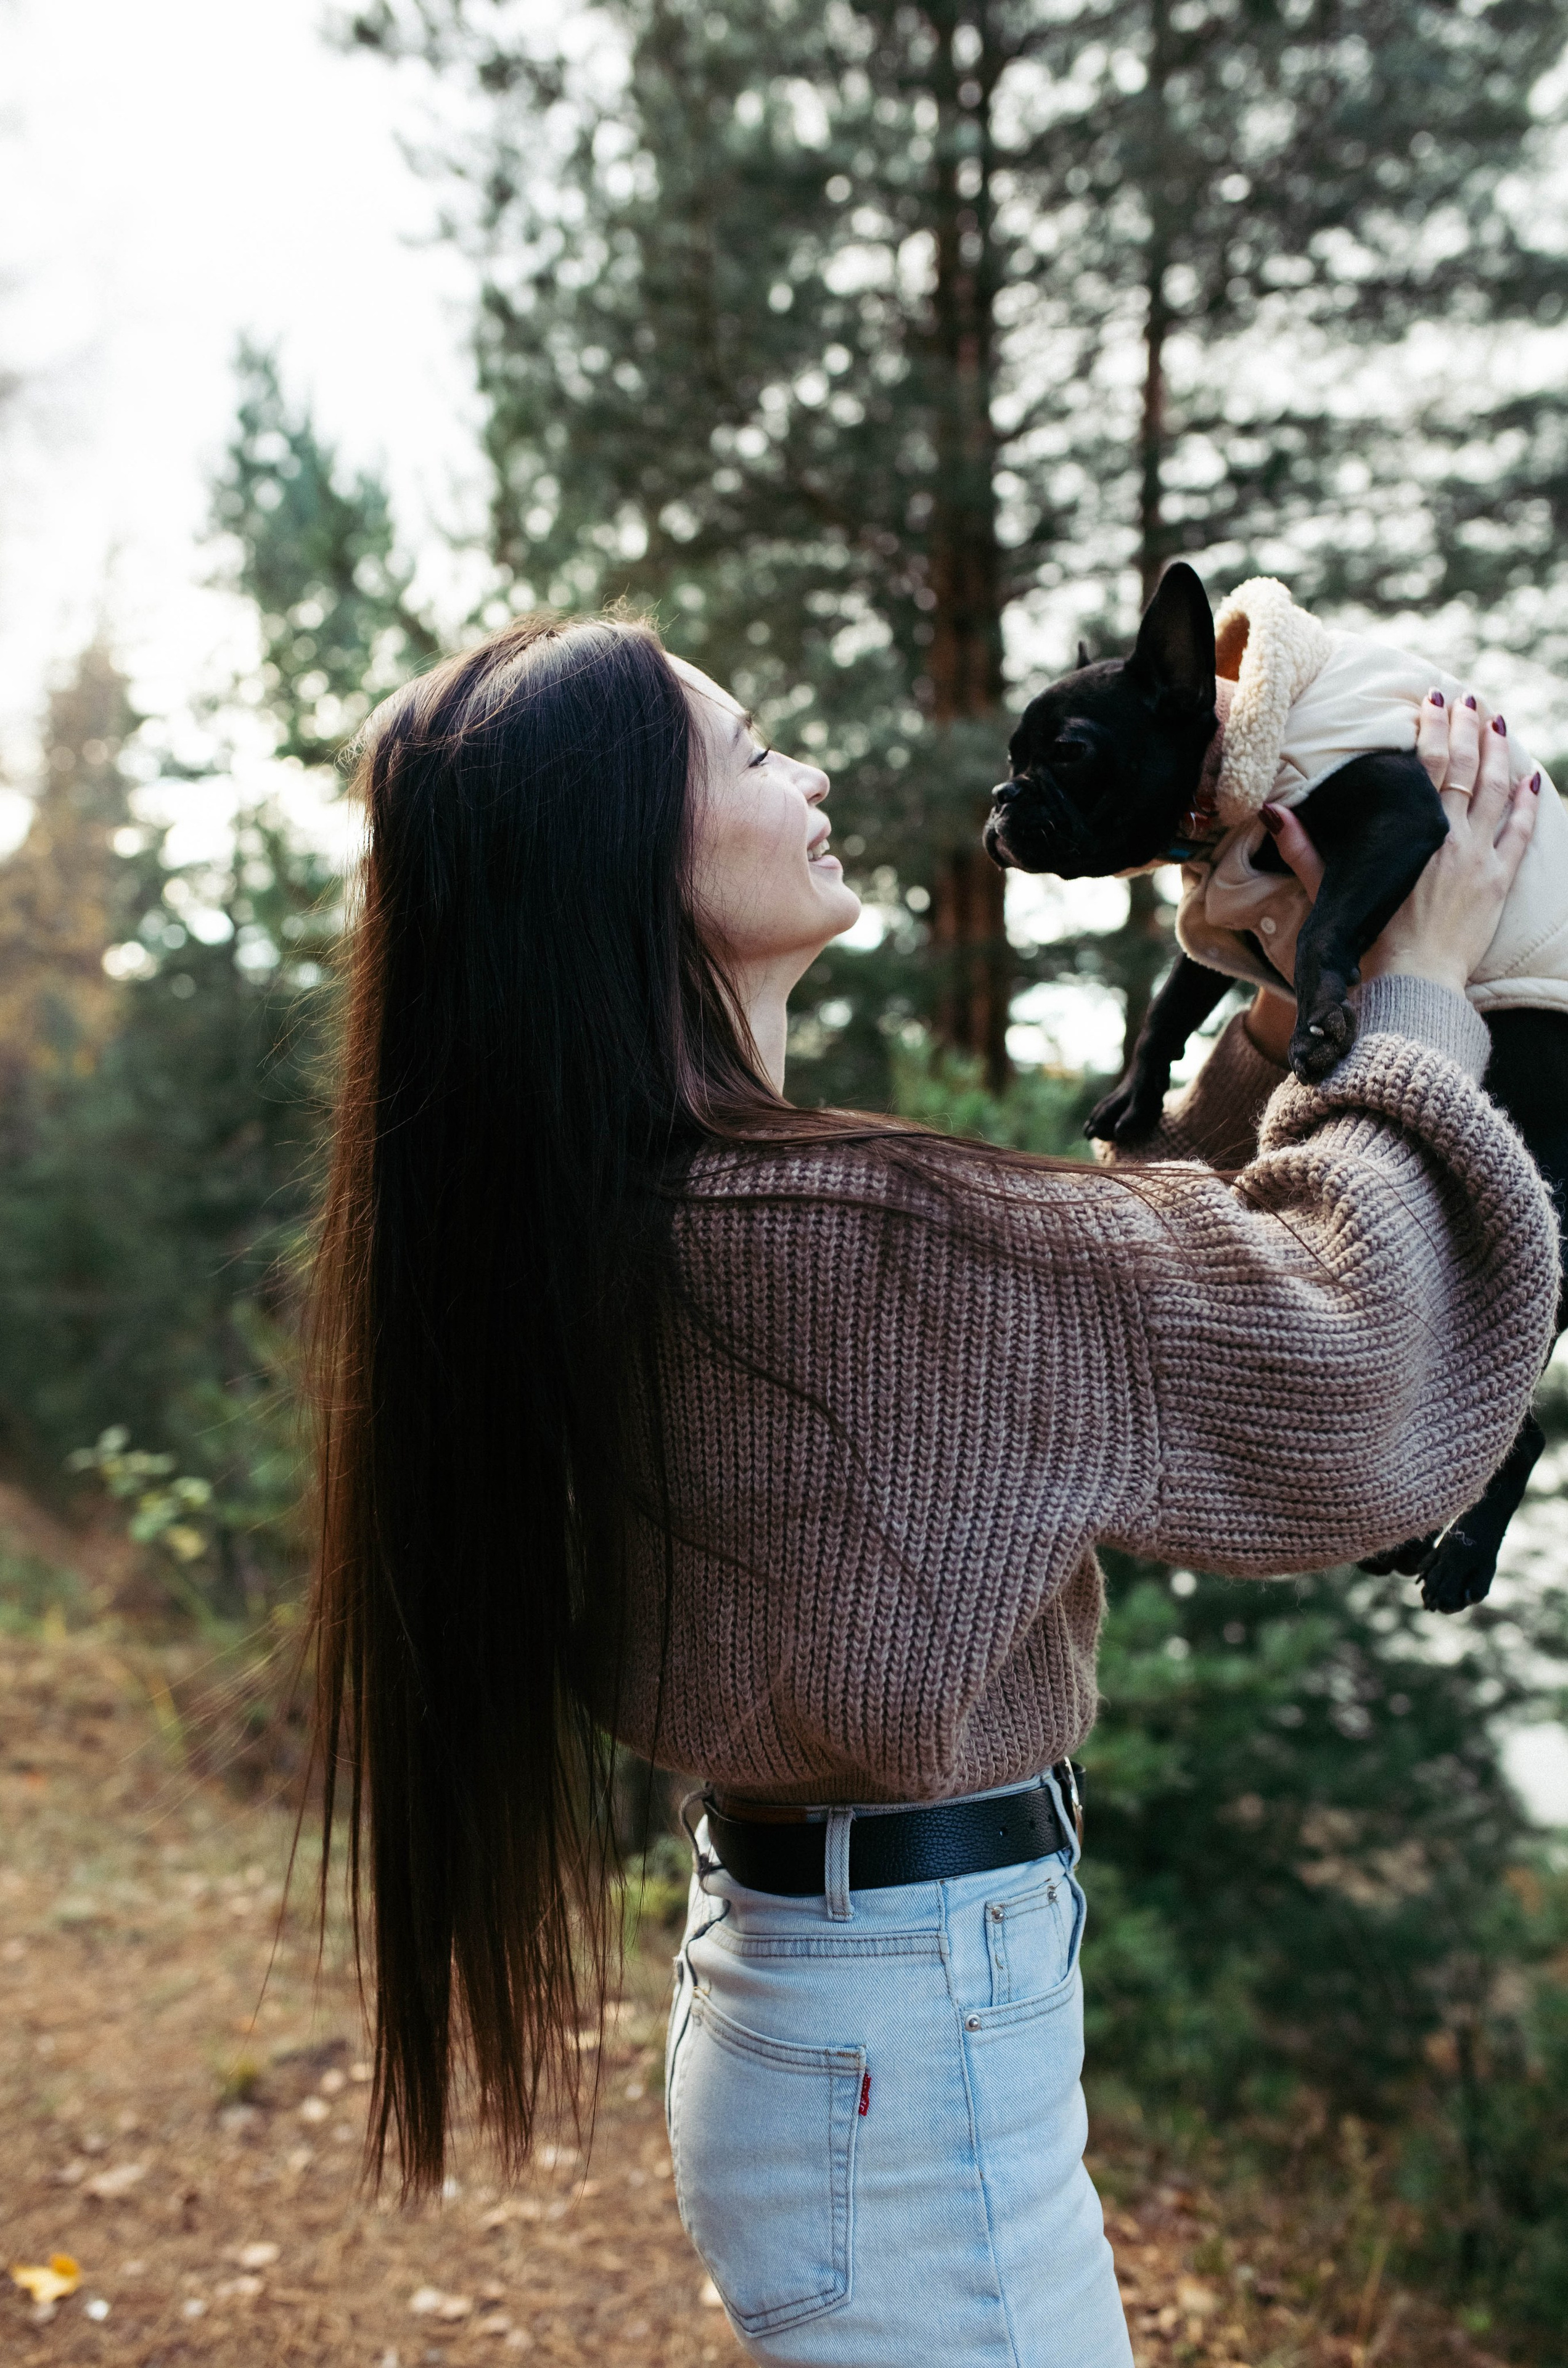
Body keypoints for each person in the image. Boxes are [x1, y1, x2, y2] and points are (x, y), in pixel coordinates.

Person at [305, 615, 1556, 2368]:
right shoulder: (829, 1232)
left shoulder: (694, 1209)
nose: (808, 773)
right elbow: (1348, 1374)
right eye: (750, 755)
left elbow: (1108, 1288)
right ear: (631, 857)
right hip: (902, 2051)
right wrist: (1420, 985)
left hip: (847, 2015)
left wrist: (1291, 1004)